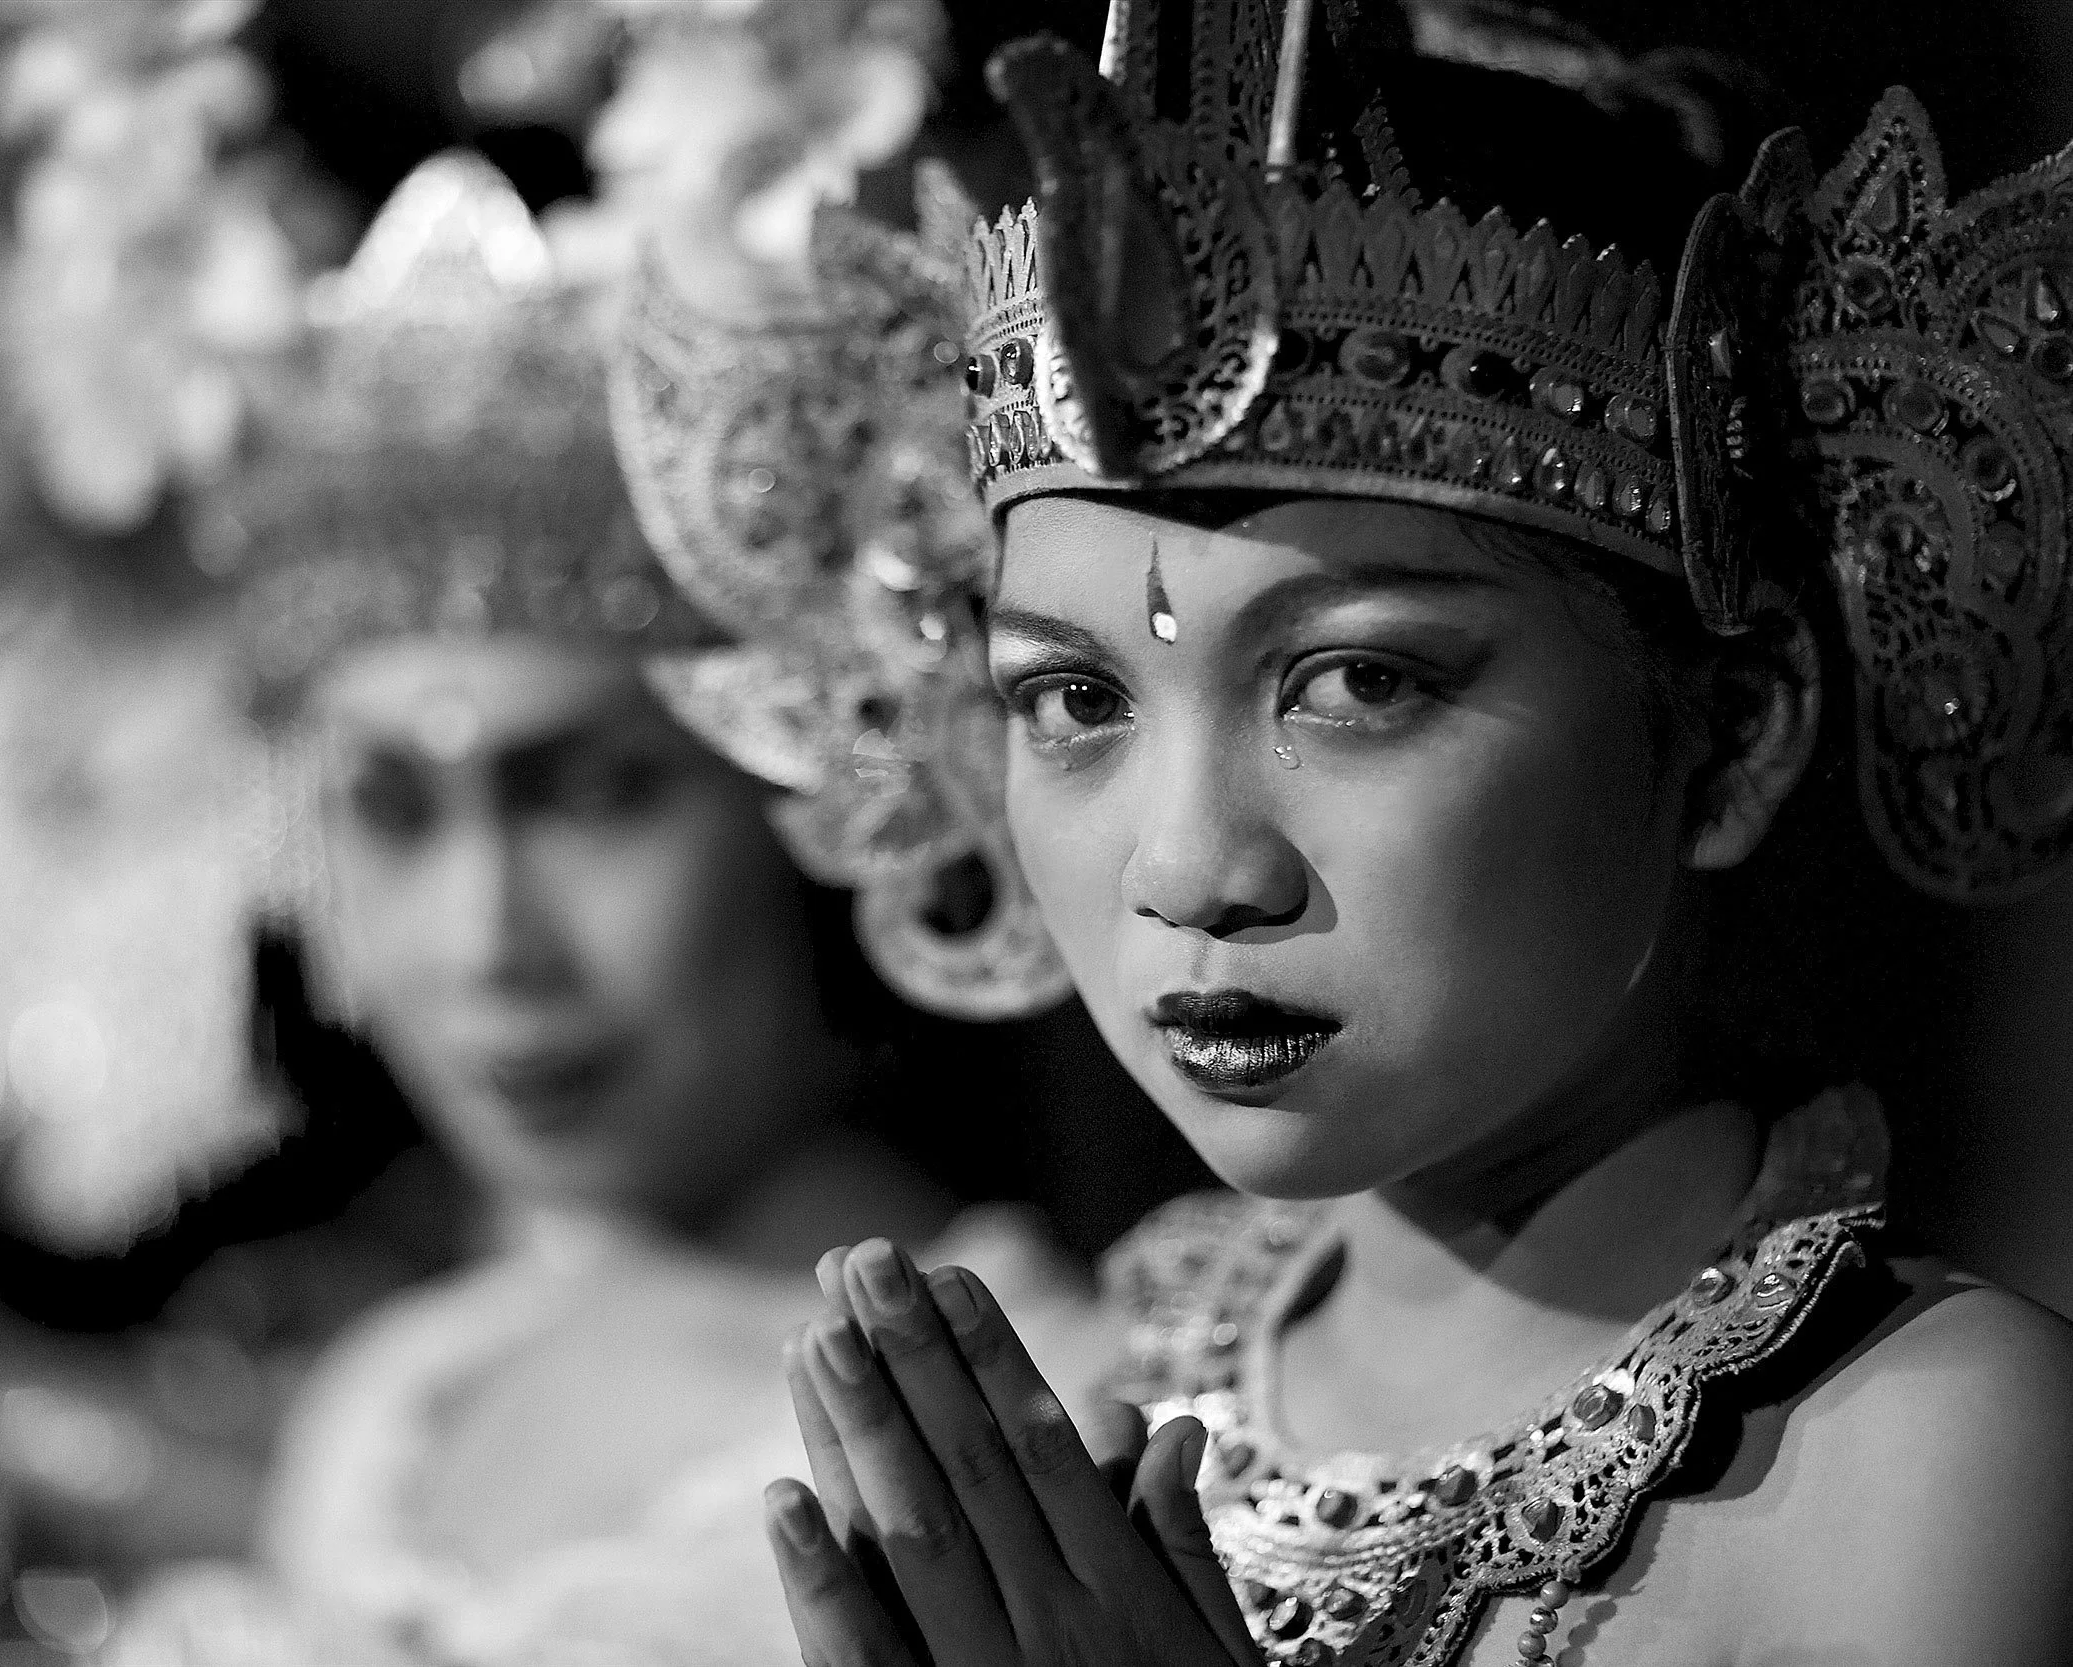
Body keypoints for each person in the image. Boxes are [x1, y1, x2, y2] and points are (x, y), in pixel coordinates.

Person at [609, 0, 2073, 1659]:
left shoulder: (1945, 1455)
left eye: (1357, 682)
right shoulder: (1102, 1416)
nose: (1189, 868)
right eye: (1078, 703)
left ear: (1732, 740)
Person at [93, 147, 1104, 1667]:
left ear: (827, 783)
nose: (487, 940)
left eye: (593, 796)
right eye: (393, 807)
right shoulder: (400, 1401)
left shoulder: (1026, 1442)